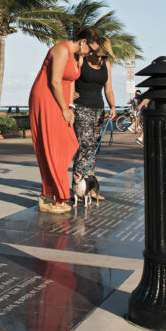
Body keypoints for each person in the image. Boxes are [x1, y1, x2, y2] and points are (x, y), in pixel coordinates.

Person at [28, 28, 102, 214]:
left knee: (69, 143)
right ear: (83, 41)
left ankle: (51, 194)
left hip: (60, 100)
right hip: (46, 98)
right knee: (53, 148)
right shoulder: (61, 50)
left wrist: (70, 107)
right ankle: (54, 197)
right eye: (91, 50)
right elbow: (54, 81)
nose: (91, 54)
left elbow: (71, 83)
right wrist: (63, 108)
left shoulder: (79, 57)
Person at [71, 40, 116, 192]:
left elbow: (108, 89)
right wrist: (70, 95)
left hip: (98, 110)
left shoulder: (106, 64)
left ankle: (89, 187)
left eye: (104, 57)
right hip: (81, 108)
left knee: (95, 147)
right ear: (93, 50)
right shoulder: (80, 60)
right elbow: (68, 79)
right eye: (99, 56)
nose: (100, 59)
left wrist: (113, 107)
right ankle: (78, 187)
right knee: (84, 145)